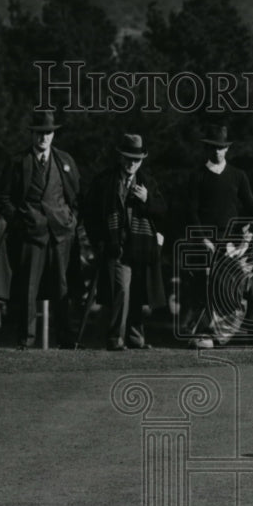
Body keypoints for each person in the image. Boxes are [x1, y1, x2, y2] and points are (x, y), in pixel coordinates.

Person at [0, 110, 80, 349]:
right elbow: (4, 198)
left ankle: (66, 339)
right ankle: (26, 339)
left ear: (54, 135)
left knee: (63, 288)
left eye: (48, 133)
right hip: (30, 234)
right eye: (40, 133)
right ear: (32, 134)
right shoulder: (17, 162)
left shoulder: (65, 161)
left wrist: (71, 220)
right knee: (28, 288)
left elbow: (75, 195)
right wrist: (19, 222)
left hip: (60, 235)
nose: (44, 137)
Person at [183, 125, 253, 348]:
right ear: (207, 149)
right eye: (213, 147)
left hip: (231, 244)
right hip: (205, 244)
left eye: (221, 147)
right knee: (205, 293)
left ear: (227, 149)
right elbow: (190, 211)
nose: (217, 151)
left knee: (248, 289)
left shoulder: (238, 175)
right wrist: (202, 238)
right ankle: (204, 336)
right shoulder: (196, 176)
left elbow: (250, 204)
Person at [85, 134, 166, 350]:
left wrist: (147, 199)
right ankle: (115, 338)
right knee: (121, 290)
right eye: (129, 158)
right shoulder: (105, 181)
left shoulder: (147, 182)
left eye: (136, 159)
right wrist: (99, 242)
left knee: (139, 292)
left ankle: (135, 338)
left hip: (141, 247)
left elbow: (163, 211)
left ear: (142, 160)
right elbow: (90, 214)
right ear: (121, 157)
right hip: (116, 246)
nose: (132, 163)